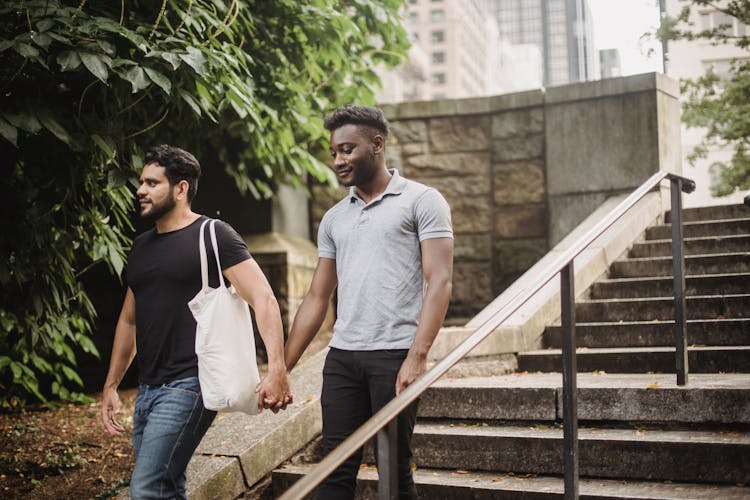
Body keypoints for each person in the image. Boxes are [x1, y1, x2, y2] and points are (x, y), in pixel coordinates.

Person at [100, 145, 290, 499]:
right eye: (141, 181)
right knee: (168, 487)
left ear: (181, 188)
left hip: (190, 384)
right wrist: (112, 385)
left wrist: (277, 368)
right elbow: (129, 321)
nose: (140, 189)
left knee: (147, 489)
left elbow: (262, 298)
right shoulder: (140, 247)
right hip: (148, 389)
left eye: (152, 182)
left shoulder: (213, 235)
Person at [284, 105, 453, 499]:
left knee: (393, 472)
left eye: (347, 149)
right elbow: (317, 297)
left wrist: (418, 355)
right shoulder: (334, 218)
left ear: (376, 145)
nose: (338, 160)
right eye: (334, 152)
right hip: (342, 357)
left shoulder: (422, 202)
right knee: (333, 471)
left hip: (394, 356)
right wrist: (283, 367)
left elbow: (440, 281)